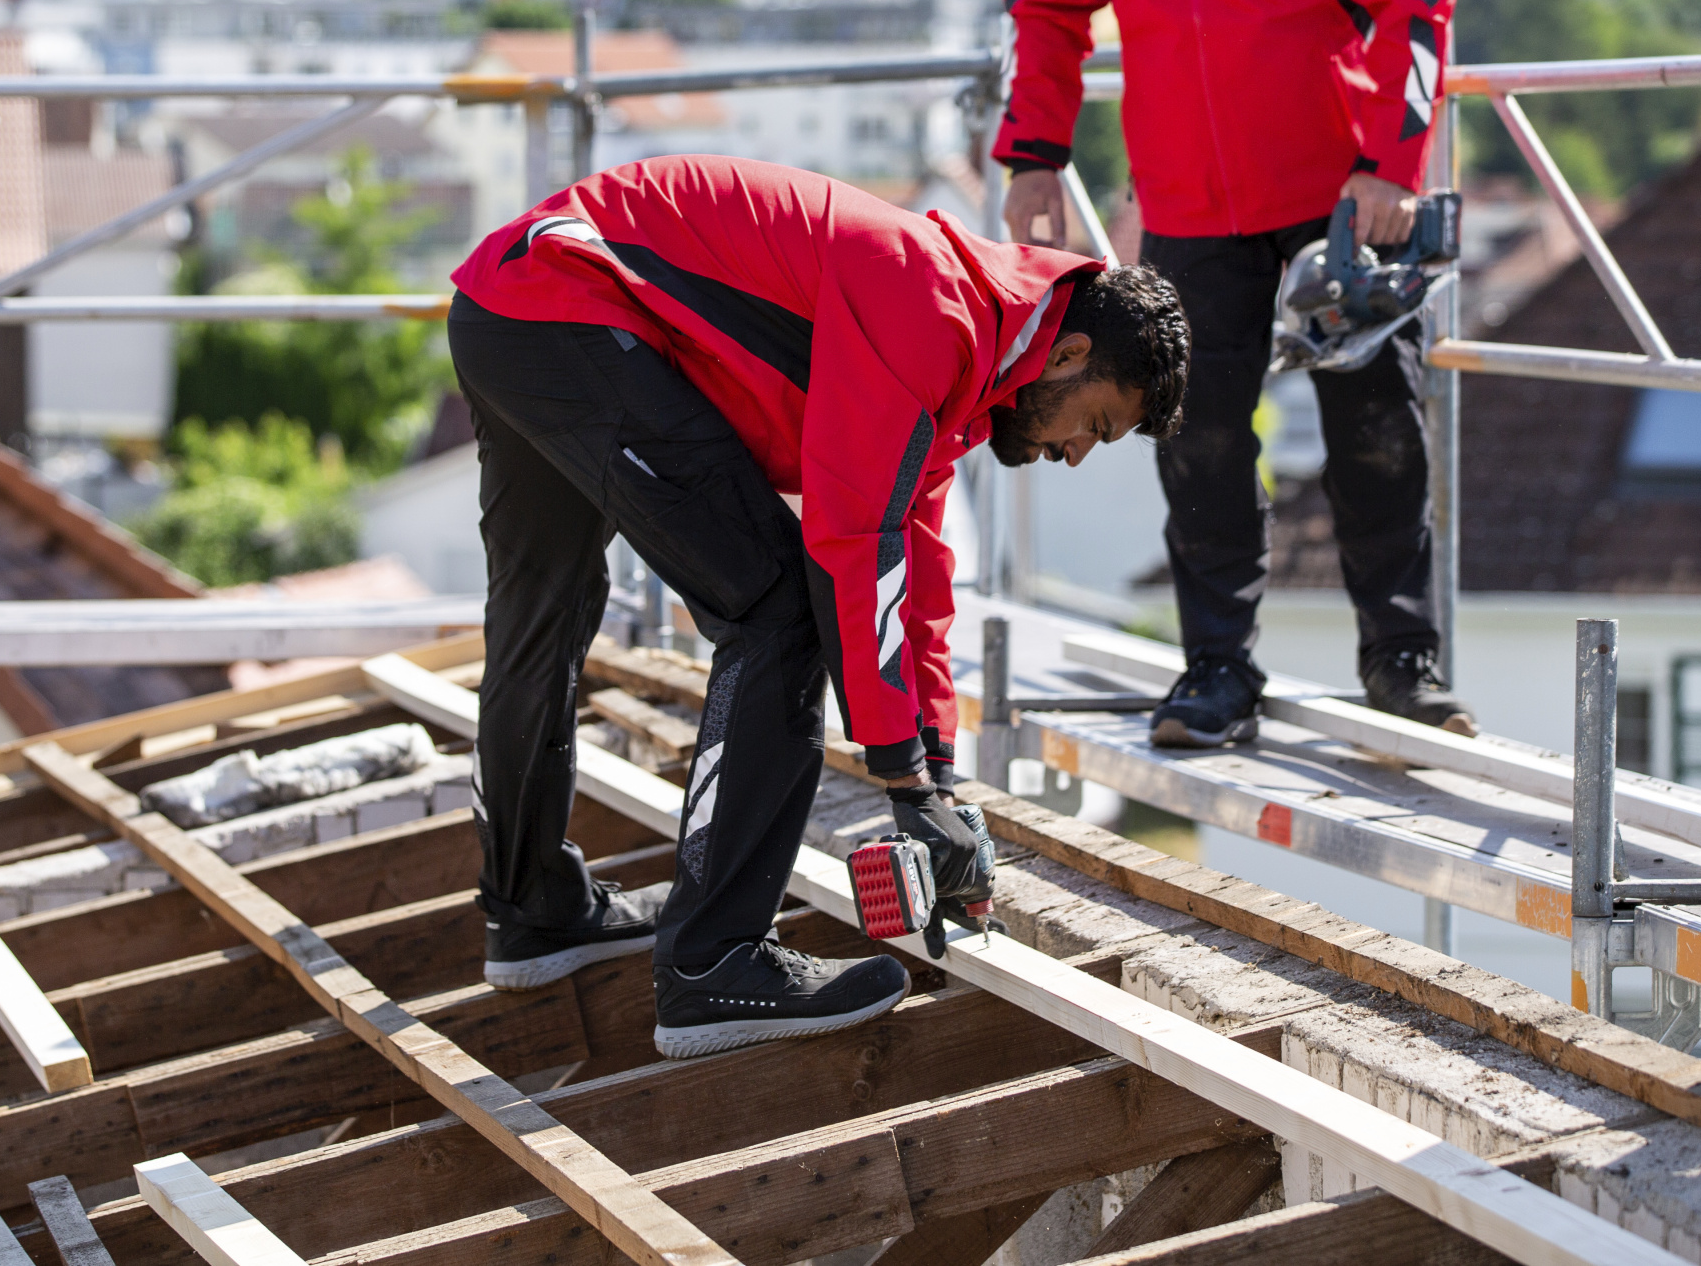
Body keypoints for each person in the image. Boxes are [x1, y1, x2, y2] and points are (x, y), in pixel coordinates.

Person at [447, 155, 1189, 1058]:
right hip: (573, 310)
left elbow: (913, 568)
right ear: (1069, 354)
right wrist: (902, 778)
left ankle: (532, 913)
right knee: (779, 610)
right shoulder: (935, 310)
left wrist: (936, 772)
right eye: (1095, 425)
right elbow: (849, 543)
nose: (1076, 452)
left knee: (543, 622)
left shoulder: (970, 341)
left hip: (513, 305)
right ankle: (712, 964)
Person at [995, 0, 1472, 748]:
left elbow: (1414, 0)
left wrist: (1389, 166)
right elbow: (1048, 12)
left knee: (1375, 425)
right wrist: (1031, 156)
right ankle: (1216, 671)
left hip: (1337, 198)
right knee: (1196, 433)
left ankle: (1402, 660)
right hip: (1189, 206)